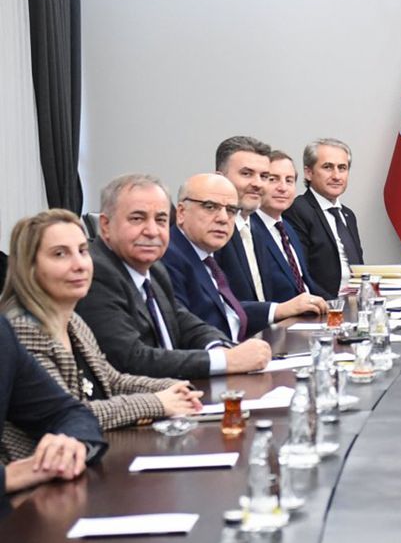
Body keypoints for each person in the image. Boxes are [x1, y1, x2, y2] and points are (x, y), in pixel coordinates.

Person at [0, 210, 203, 462]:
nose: (79, 264)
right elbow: (70, 415)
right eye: (60, 254)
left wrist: (172, 388)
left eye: (83, 251)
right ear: (28, 267)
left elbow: (112, 380)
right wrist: (157, 402)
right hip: (39, 474)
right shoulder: (22, 329)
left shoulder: (73, 321)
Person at [76, 174, 271, 378]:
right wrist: (225, 361)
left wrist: (220, 347)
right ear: (105, 226)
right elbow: (130, 359)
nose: (152, 231)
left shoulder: (154, 268)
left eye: (160, 220)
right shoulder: (95, 273)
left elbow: (183, 322)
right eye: (137, 219)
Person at [164, 174, 325, 342]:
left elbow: (226, 312)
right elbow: (186, 331)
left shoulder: (207, 256)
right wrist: (228, 354)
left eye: (231, 210)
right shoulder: (169, 258)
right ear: (181, 212)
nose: (223, 218)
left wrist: (277, 310)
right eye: (210, 207)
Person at [0, 315, 105, 497]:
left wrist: (69, 444)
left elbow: (65, 411)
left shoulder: (2, 334)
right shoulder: (24, 325)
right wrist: (7, 477)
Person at [284, 138, 364, 297]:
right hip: (325, 304)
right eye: (328, 167)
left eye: (342, 168)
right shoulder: (297, 210)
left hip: (357, 301)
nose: (336, 176)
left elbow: (358, 267)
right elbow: (301, 274)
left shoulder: (348, 215)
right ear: (308, 173)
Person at [211, 135, 273, 303]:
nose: (258, 184)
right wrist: (275, 310)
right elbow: (217, 305)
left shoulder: (258, 229)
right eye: (246, 174)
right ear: (220, 178)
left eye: (264, 176)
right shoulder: (212, 231)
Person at [255, 150, 324, 299]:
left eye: (289, 180)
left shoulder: (287, 228)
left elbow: (305, 282)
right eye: (273, 179)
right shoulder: (248, 230)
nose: (283, 188)